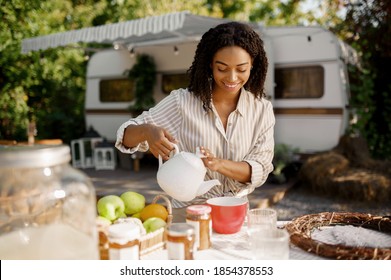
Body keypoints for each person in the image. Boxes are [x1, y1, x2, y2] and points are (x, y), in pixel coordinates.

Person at [115, 21, 275, 221]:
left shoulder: (262, 110)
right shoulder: (183, 102)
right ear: (210, 65)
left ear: (253, 65)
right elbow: (125, 137)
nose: (232, 77)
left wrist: (219, 164)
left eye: (241, 69)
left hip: (236, 213)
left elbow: (260, 169)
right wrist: (147, 131)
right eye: (222, 68)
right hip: (189, 215)